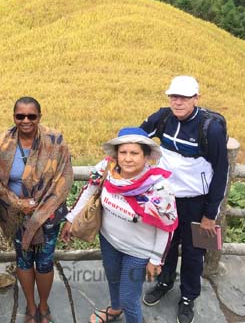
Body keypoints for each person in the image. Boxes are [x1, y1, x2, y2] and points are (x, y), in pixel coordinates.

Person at [61, 128, 178, 323]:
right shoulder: (107, 169)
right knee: (113, 280)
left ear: (147, 156)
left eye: (134, 153)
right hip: (109, 241)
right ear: (116, 154)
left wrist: (156, 259)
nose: (127, 159)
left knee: (129, 299)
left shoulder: (158, 188)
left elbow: (166, 227)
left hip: (138, 252)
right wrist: (71, 218)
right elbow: (90, 191)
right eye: (123, 152)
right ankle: (115, 310)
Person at [140, 76, 229, 323]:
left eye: (184, 98)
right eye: (173, 97)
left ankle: (189, 296)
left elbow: (221, 171)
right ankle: (165, 281)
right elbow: (136, 136)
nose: (177, 102)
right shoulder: (163, 117)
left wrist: (210, 214)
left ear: (196, 98)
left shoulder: (210, 128)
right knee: (165, 244)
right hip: (166, 197)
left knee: (193, 251)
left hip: (195, 201)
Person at [0, 97, 73, 323]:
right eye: (20, 116)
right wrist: (19, 204)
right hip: (17, 216)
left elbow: (65, 177)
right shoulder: (2, 144)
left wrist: (40, 209)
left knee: (45, 262)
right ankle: (30, 305)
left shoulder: (55, 140)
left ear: (39, 116)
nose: (26, 120)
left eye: (31, 116)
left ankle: (44, 306)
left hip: (49, 215)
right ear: (14, 117)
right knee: (24, 261)